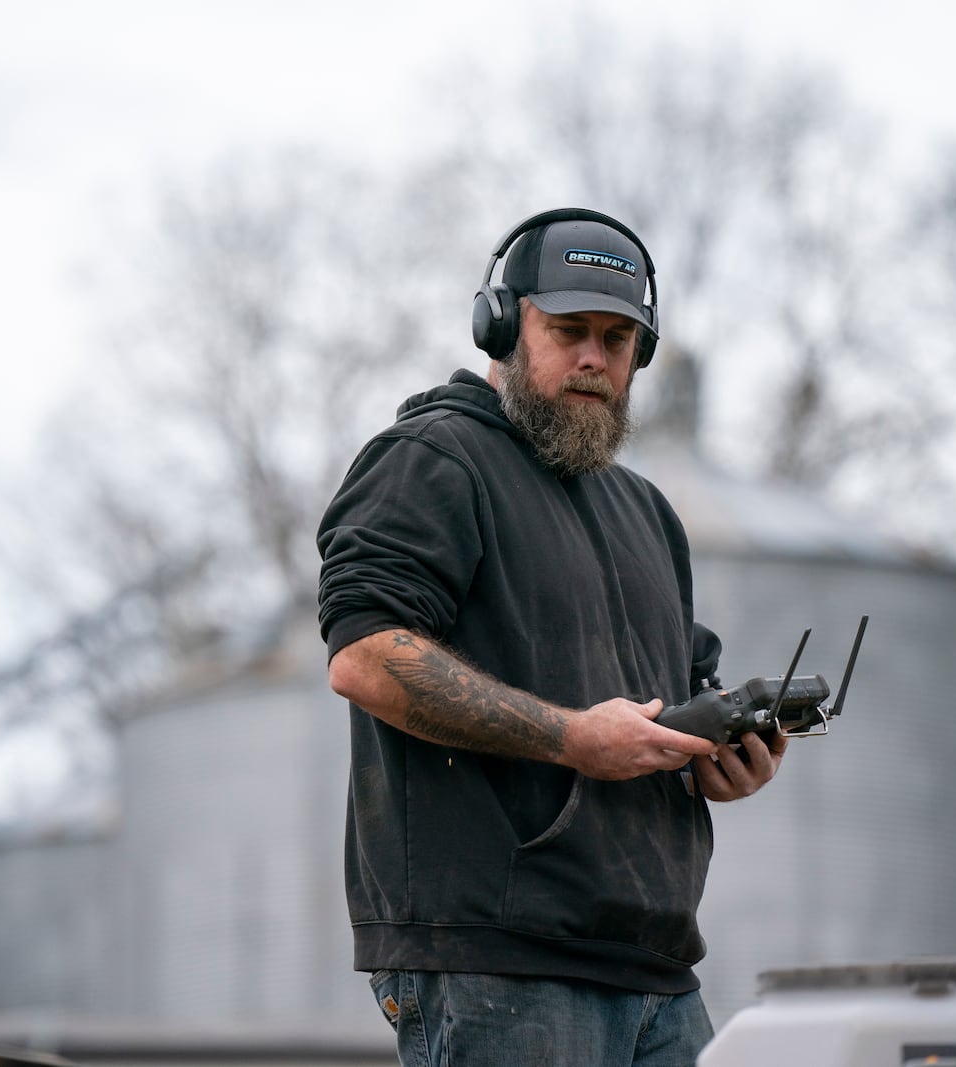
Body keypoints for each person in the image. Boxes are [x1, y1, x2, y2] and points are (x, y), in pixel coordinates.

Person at [314, 208, 788, 1067]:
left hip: (657, 969)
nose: (594, 358)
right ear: (502, 325)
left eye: (618, 338)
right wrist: (570, 737)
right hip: (497, 964)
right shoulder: (435, 458)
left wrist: (724, 757)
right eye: (568, 330)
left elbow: (677, 698)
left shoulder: (647, 513)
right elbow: (364, 655)